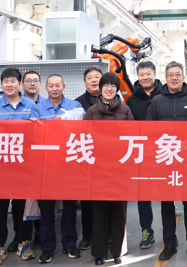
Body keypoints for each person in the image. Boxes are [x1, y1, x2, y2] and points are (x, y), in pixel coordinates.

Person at [146, 61, 187, 261]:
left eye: (177, 74)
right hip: (165, 161)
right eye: (170, 74)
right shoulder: (156, 101)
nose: (174, 78)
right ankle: (169, 244)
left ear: (183, 77)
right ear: (165, 78)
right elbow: (149, 132)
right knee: (166, 205)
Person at [0, 68, 39, 264]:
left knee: (22, 206)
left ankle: (24, 242)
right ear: (1, 84)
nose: (9, 85)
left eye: (13, 81)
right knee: (0, 206)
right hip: (0, 166)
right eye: (5, 81)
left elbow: (38, 133)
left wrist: (35, 123)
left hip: (23, 165)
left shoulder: (30, 105)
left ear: (19, 84)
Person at [84, 72, 134, 265]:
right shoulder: (91, 112)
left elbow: (132, 138)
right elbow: (84, 139)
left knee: (119, 212)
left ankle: (117, 251)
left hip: (119, 170)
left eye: (113, 86)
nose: (109, 88)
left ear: (116, 89)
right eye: (106, 85)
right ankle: (99, 252)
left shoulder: (125, 110)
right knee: (99, 212)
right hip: (98, 170)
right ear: (101, 88)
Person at [35, 74, 84, 264]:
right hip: (45, 166)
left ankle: (69, 243)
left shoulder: (75, 106)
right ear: (46, 88)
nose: (54, 89)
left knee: (69, 207)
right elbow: (33, 134)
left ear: (64, 86)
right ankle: (47, 247)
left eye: (58, 85)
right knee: (46, 209)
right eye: (51, 86)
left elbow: (82, 132)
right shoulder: (37, 108)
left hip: (69, 165)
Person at [125, 61, 162, 249]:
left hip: (165, 151)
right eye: (141, 74)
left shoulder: (165, 95)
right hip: (141, 154)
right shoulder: (132, 100)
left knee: (167, 194)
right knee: (143, 195)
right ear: (137, 77)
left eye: (148, 74)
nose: (145, 77)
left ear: (154, 74)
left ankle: (170, 233)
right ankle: (147, 230)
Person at [74, 66, 103, 251]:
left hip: (107, 158)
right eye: (90, 77)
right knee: (87, 200)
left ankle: (106, 234)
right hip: (86, 156)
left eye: (97, 77)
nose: (94, 80)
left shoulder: (113, 100)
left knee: (106, 198)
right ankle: (87, 235)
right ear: (85, 82)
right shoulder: (77, 104)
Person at [20, 70, 44, 248]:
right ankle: (21, 238)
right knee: (20, 201)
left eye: (35, 80)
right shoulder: (17, 103)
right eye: (28, 80)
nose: (32, 83)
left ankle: (40, 234)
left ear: (40, 84)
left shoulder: (46, 105)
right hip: (19, 158)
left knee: (40, 198)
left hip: (40, 160)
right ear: (22, 84)